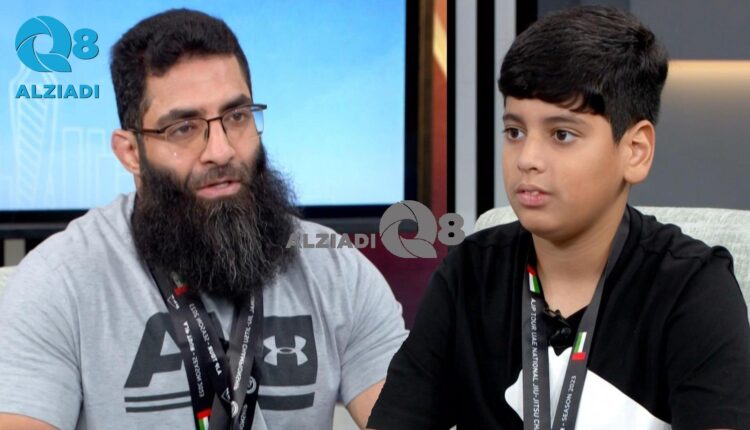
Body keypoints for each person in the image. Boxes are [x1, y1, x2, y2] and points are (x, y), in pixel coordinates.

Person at [0, 9, 407, 430]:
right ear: (130, 153)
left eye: (237, 117)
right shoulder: (59, 282)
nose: (221, 150)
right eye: (183, 128)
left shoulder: (336, 270)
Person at [368, 6, 750, 430]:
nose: (527, 159)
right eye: (515, 132)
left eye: (562, 134)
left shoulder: (692, 289)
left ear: (635, 151)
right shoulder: (470, 274)